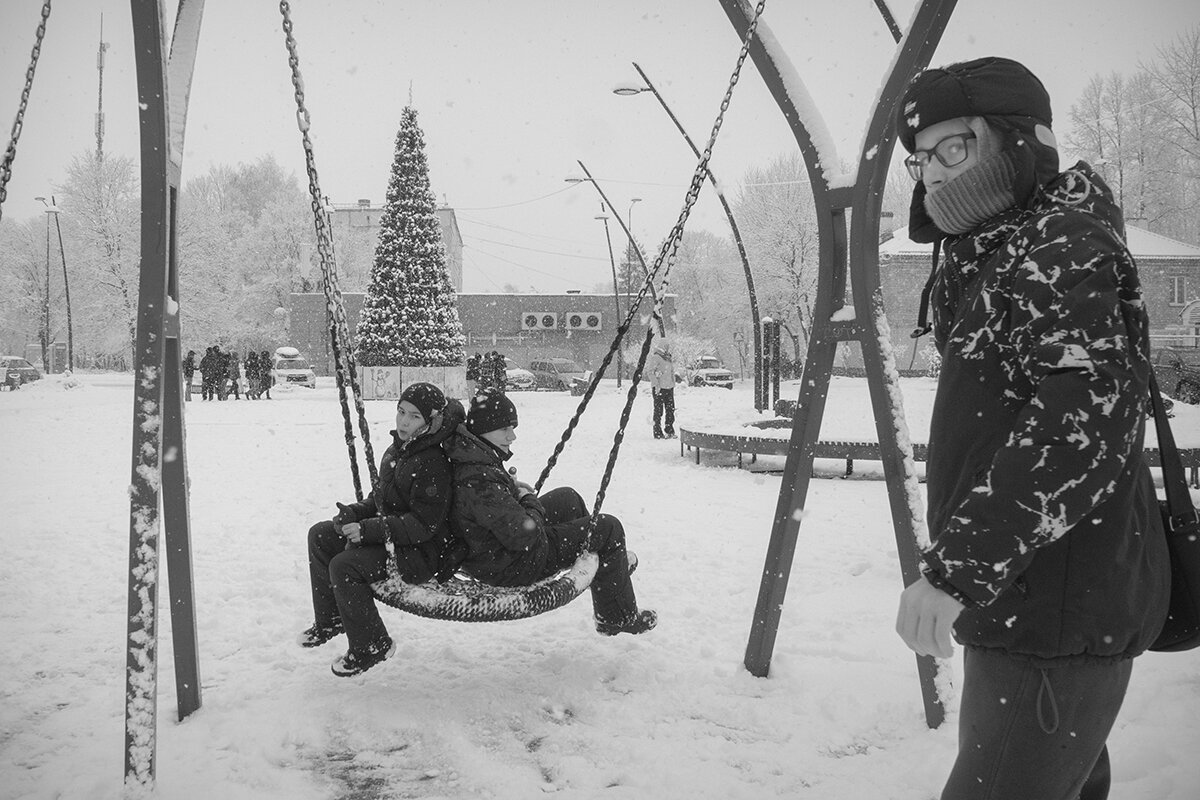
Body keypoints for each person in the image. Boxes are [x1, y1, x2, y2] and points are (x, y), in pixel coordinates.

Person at [891, 56, 1170, 800]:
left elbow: (1080, 421)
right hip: (1028, 602)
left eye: (955, 147)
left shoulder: (1059, 243)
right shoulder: (997, 250)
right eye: (921, 160)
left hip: (1051, 614)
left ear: (1015, 138)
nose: (935, 176)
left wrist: (957, 570)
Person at [442, 388, 656, 636]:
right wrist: (527, 498)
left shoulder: (473, 453)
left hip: (495, 549)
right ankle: (617, 618)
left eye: (512, 427)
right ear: (482, 429)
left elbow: (489, 507)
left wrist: (510, 489)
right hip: (512, 564)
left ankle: (610, 572)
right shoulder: (477, 476)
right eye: (504, 429)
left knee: (568, 498)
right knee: (609, 528)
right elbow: (524, 533)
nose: (512, 436)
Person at [300, 383, 461, 677]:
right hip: (394, 539)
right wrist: (355, 513)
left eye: (414, 416)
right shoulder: (399, 449)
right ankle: (332, 618)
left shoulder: (432, 463)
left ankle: (372, 645)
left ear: (431, 421)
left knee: (345, 565)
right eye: (401, 411)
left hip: (422, 553)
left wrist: (368, 530)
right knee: (321, 535)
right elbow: (381, 499)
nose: (403, 421)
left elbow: (424, 525)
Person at [647, 340, 676, 439]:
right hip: (659, 388)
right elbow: (650, 372)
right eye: (666, 346)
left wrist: (673, 383)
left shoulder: (668, 358)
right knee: (659, 411)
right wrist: (656, 384)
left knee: (670, 410)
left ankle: (669, 429)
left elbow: (671, 372)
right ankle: (657, 432)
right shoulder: (656, 357)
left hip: (669, 388)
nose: (667, 349)